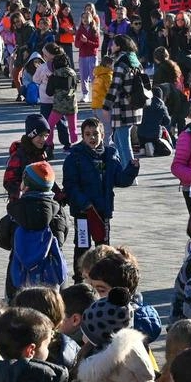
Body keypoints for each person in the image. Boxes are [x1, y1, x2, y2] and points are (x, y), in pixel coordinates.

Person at [63, 116, 141, 275]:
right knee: (82, 246)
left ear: (102, 135)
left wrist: (132, 170)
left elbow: (119, 179)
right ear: (82, 136)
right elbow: (70, 185)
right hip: (83, 212)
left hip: (103, 210)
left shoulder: (111, 154)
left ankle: (102, 276)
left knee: (103, 246)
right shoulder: (75, 157)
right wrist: (84, 203)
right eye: (88, 134)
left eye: (95, 134)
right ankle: (80, 278)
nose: (92, 137)